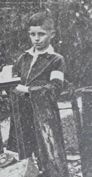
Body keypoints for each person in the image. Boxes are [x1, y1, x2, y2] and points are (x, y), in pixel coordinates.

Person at [7, 12, 65, 158]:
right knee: (22, 156)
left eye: (41, 34)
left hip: (43, 115)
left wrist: (28, 91)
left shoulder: (56, 60)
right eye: (32, 34)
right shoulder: (24, 58)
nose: (36, 39)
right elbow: (12, 80)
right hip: (21, 114)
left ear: (52, 34)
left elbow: (55, 88)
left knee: (46, 155)